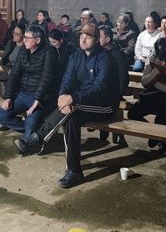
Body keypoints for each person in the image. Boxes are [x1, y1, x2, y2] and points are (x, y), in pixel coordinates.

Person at [15, 24, 118, 189]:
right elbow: (67, 79)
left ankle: (37, 138)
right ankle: (74, 171)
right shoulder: (76, 56)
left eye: (88, 37)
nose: (83, 40)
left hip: (104, 105)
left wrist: (73, 98)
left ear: (97, 40)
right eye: (81, 36)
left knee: (72, 111)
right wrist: (62, 96)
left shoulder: (105, 58)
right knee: (70, 118)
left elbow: (101, 88)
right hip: (80, 103)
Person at [0, 25, 57, 139]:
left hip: (41, 97)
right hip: (23, 94)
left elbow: (46, 78)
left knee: (31, 122)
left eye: (28, 38)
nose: (24, 40)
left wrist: (37, 100)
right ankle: (37, 132)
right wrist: (8, 97)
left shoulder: (49, 51)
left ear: (38, 40)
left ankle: (31, 134)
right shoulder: (23, 50)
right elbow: (14, 74)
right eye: (24, 37)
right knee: (0, 115)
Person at [127, 38, 166, 154]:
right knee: (133, 113)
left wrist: (155, 82)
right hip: (155, 94)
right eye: (161, 56)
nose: (163, 59)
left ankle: (159, 139)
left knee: (161, 118)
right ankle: (153, 135)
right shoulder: (153, 56)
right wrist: (158, 71)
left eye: (165, 56)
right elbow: (144, 82)